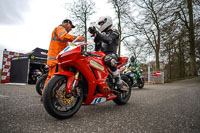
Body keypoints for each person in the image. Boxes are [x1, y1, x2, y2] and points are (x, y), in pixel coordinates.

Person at [42, 19, 84, 94]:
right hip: (56, 59)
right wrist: (77, 38)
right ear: (67, 23)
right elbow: (64, 36)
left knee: (50, 79)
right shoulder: (60, 28)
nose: (71, 29)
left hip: (53, 59)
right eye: (71, 27)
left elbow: (66, 48)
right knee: (56, 80)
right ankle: (53, 97)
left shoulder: (59, 32)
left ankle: (45, 96)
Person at [88, 16, 123, 90]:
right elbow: (97, 49)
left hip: (111, 54)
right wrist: (96, 40)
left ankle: (118, 79)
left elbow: (109, 40)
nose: (101, 25)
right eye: (100, 24)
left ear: (108, 22)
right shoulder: (102, 34)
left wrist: (97, 34)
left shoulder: (115, 32)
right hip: (102, 55)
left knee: (108, 58)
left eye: (102, 23)